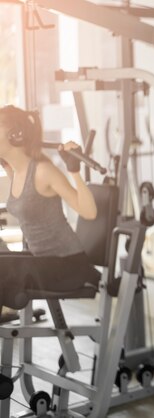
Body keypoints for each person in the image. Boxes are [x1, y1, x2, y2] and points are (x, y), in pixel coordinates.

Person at [0, 105, 100, 314]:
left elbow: (89, 212)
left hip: (67, 267)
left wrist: (74, 171)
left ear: (15, 134)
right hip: (42, 261)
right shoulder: (15, 171)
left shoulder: (42, 171)